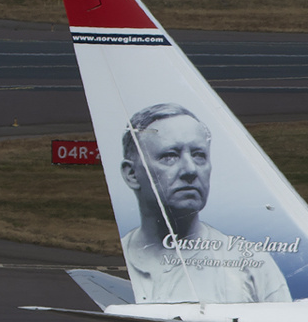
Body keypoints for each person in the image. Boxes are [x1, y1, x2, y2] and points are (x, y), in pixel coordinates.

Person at [118, 104, 292, 303]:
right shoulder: (121, 259)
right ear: (132, 174)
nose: (190, 170)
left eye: (199, 155)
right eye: (170, 156)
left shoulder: (251, 263)